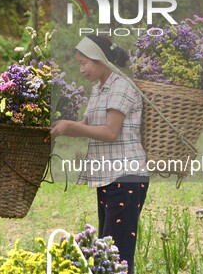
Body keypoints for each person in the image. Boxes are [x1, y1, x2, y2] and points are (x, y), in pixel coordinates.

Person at [51, 35, 149, 274]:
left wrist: (70, 126)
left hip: (126, 176)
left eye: (84, 62)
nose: (82, 69)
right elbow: (88, 124)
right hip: (108, 177)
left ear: (101, 59)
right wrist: (58, 128)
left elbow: (110, 132)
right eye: (79, 64)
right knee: (107, 250)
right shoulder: (99, 89)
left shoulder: (122, 86)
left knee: (116, 254)